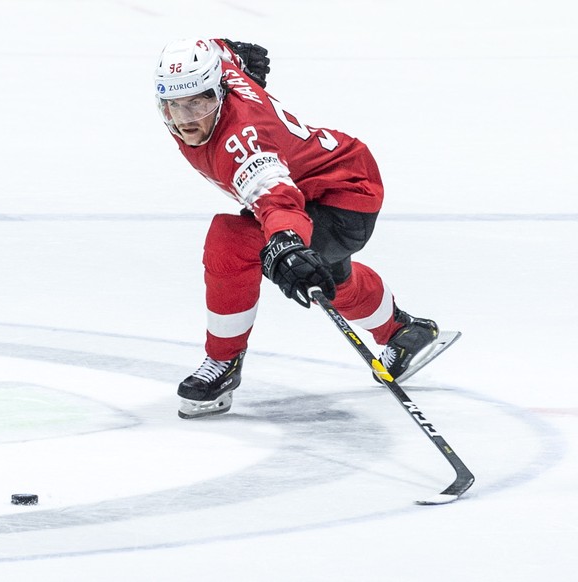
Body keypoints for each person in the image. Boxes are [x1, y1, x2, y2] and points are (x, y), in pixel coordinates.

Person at [154, 38, 440, 419]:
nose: (187, 118)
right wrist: (233, 50)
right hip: (336, 177)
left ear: (219, 91)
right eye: (174, 106)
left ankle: (222, 363)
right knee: (332, 279)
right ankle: (403, 332)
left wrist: (287, 243)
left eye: (199, 103)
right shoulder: (213, 70)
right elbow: (214, 48)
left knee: (230, 242)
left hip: (341, 198)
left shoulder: (242, 144)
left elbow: (278, 199)